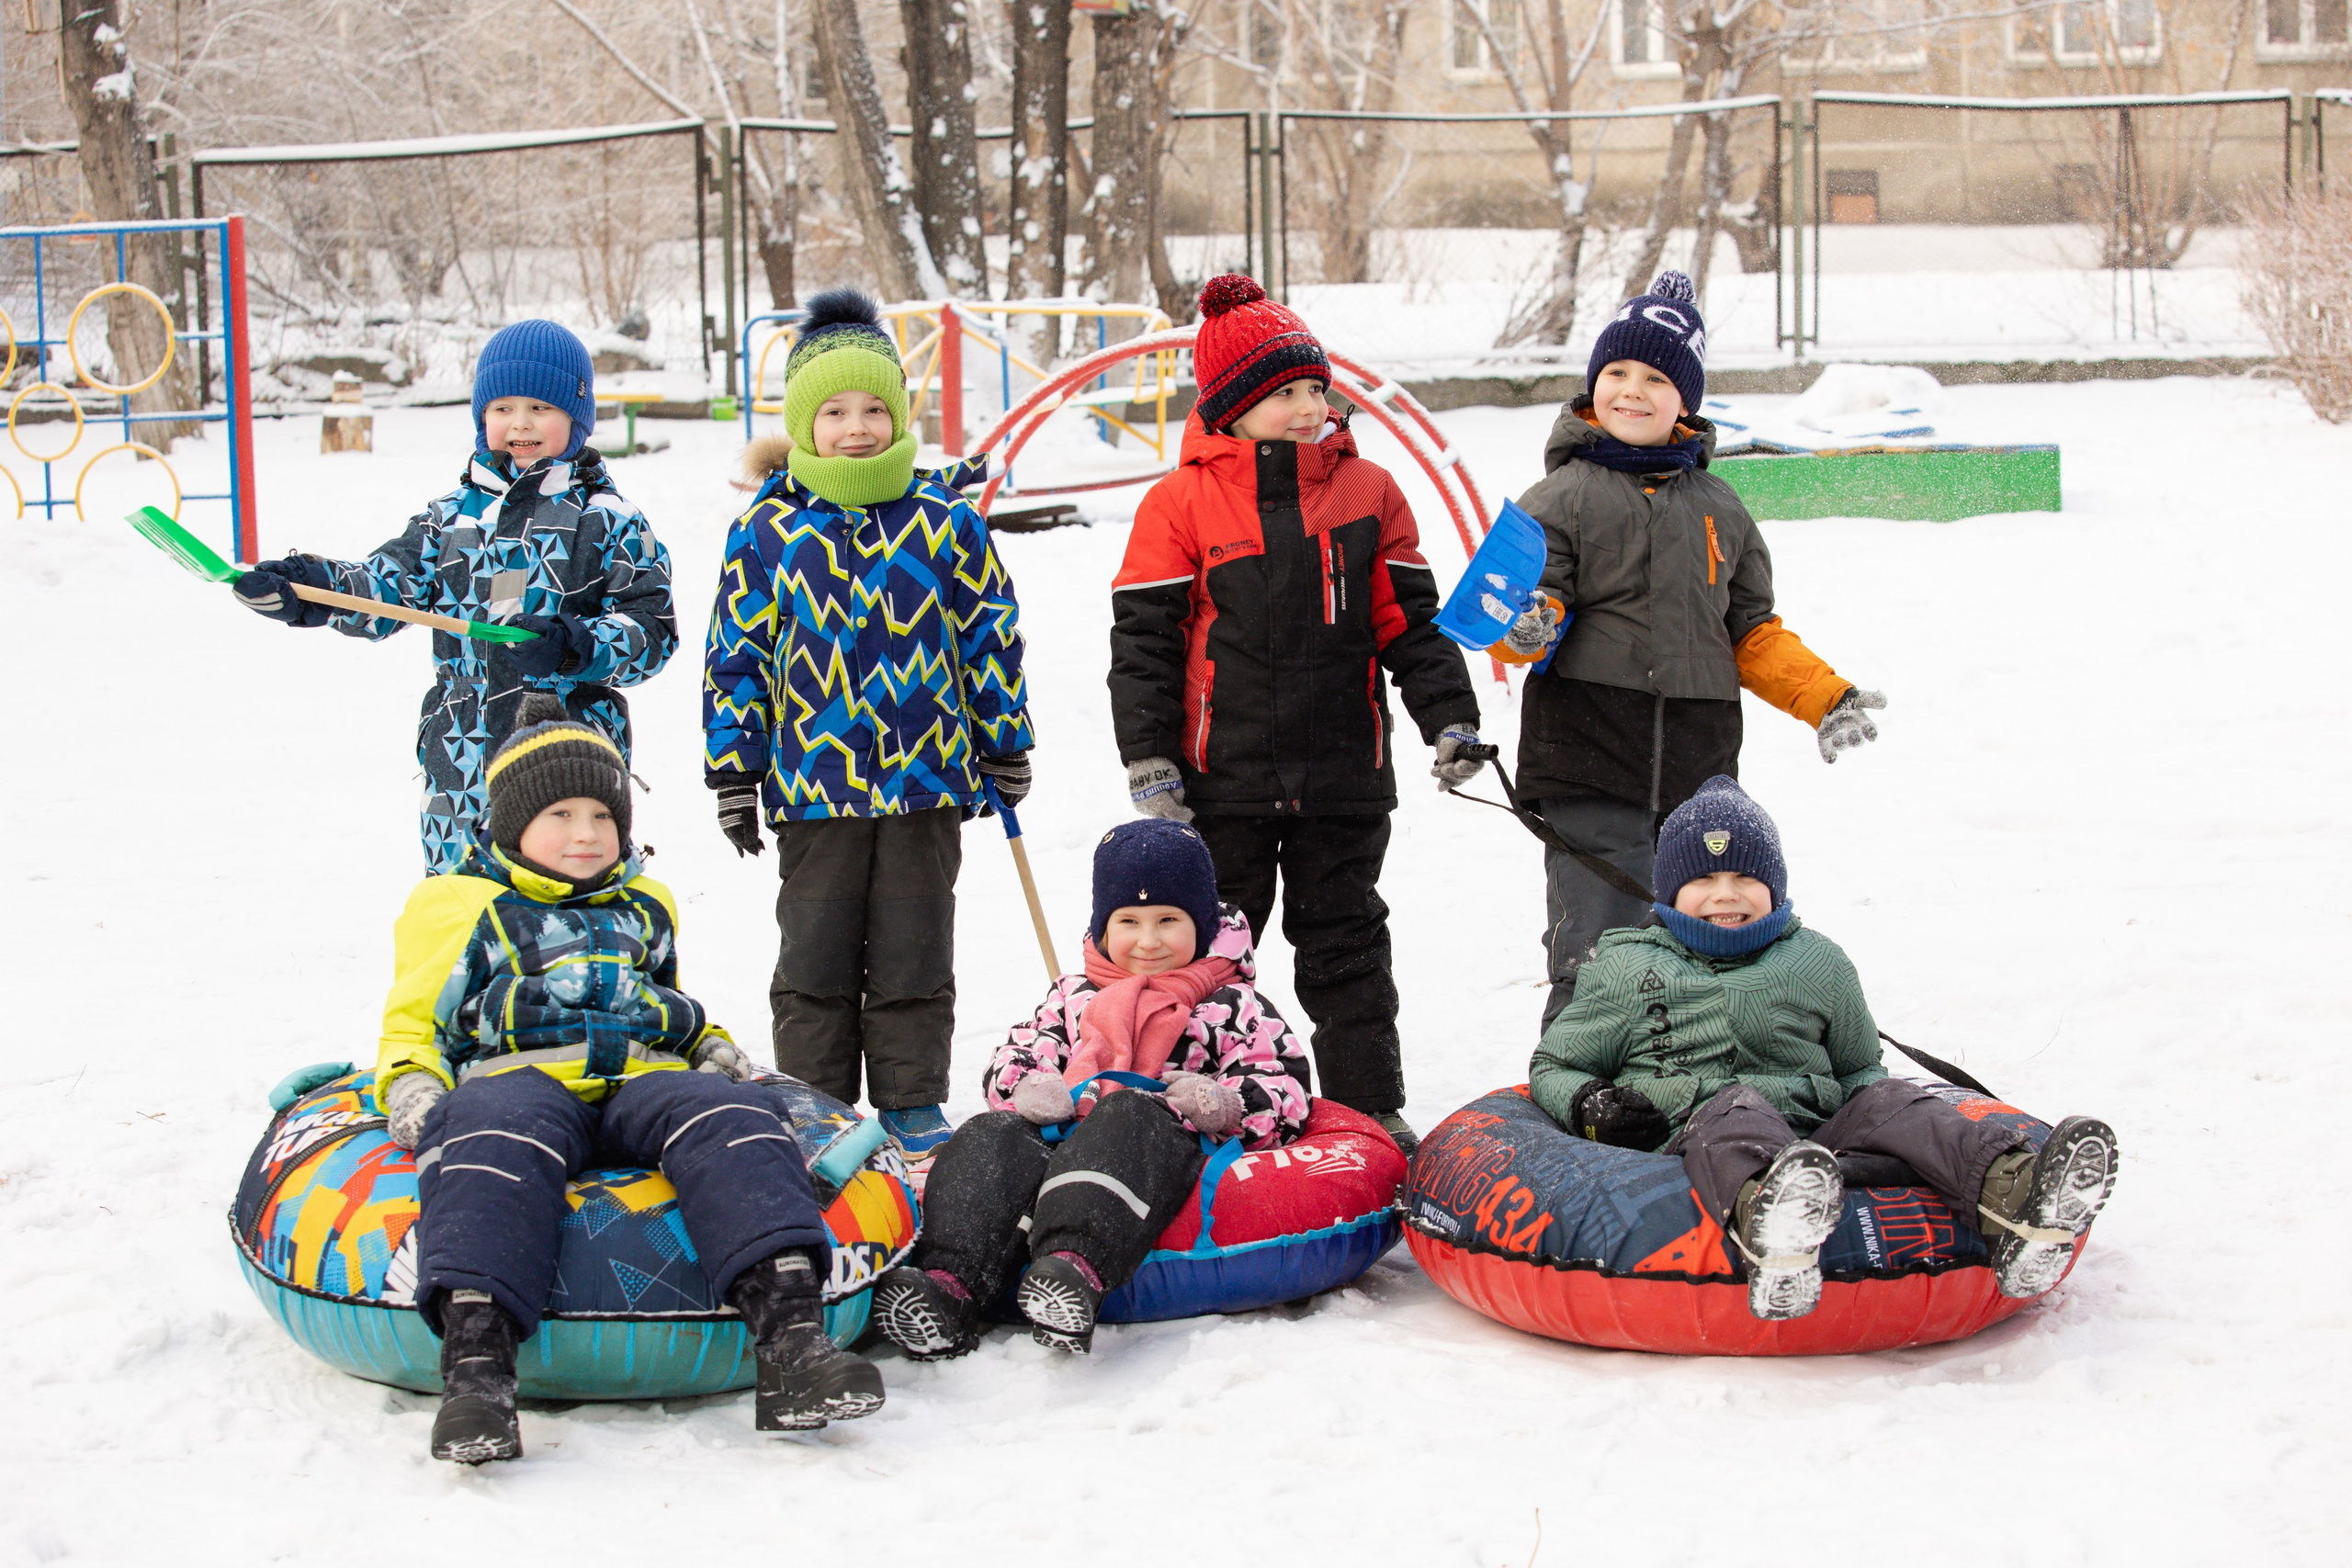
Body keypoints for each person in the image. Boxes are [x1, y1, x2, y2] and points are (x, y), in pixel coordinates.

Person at [373, 695, 881, 1463]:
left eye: (602, 816)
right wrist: (414, 1084)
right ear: (511, 825)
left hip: (642, 1079)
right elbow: (415, 1022)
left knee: (733, 1115)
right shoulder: (462, 905)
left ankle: (793, 1343)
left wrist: (710, 1047)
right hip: (521, 1078)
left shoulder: (644, 903)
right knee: (489, 1135)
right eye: (560, 815)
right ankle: (478, 1373)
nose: (586, 833)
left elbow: (666, 1003)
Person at [1106, 275, 1479, 1154]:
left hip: (1343, 775)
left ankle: (1369, 1109)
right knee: (1209, 956)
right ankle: (1191, 1105)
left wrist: (1449, 718)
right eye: (1285, 393)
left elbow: (1411, 623)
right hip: (1222, 782)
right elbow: (1145, 642)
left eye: (1316, 387)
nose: (1310, 408)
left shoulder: (1368, 492)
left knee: (1348, 946)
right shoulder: (1179, 503)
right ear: (1231, 406)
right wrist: (1150, 757)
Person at [1528, 774, 2118, 1322]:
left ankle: (2018, 1199)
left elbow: (1858, 1067)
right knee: (1737, 1107)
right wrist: (1590, 1102)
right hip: (1697, 1129)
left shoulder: (1817, 961)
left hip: (1814, 1131)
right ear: (1669, 893)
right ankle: (1776, 1228)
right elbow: (1555, 1064)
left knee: (1889, 1099)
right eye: (1702, 880)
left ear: (1774, 887)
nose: (1725, 895)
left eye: (1744, 879)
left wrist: (1894, 1117)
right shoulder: (1628, 967)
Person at [1498, 272, 1888, 1022]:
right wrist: (1529, 623)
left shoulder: (1721, 507)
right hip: (1587, 745)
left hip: (1695, 753)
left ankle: (1690, 1063)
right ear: (1592, 385)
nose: (1632, 390)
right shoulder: (1562, 495)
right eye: (1617, 372)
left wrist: (1824, 696)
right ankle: (1578, 1070)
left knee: (1700, 927)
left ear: (1687, 400)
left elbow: (1751, 629)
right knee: (1599, 934)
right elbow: (1523, 597)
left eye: (1655, 378)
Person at [704, 288, 1034, 1165]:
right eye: (835, 412)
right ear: (803, 424)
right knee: (814, 954)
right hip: (814, 784)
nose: (856, 427)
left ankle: (912, 1097)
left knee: (914, 949)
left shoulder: (945, 521)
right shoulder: (767, 530)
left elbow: (989, 636)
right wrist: (734, 769)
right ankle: (815, 1101)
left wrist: (1004, 741)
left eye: (875, 409)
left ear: (899, 416)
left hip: (927, 779)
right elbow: (736, 654)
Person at [230, 320, 676, 873]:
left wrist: (573, 645)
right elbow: (385, 586)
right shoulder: (449, 520)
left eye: (540, 408)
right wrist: (310, 588)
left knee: (565, 895)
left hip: (567, 757)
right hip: (461, 760)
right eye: (502, 408)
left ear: (576, 417)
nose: (520, 422)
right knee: (461, 900)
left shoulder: (608, 520)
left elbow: (651, 630)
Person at [868, 819, 1313, 1359]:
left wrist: (1221, 1104)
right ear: (1104, 927)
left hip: (1160, 1147)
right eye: (1129, 921)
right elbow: (1020, 1051)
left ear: (1201, 925)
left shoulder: (1232, 1005)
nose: (1148, 941)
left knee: (1128, 1112)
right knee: (992, 1133)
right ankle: (949, 1283)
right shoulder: (1074, 995)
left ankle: (1071, 1272)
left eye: (1168, 920)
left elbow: (1282, 1082)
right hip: (1063, 1137)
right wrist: (1030, 1086)